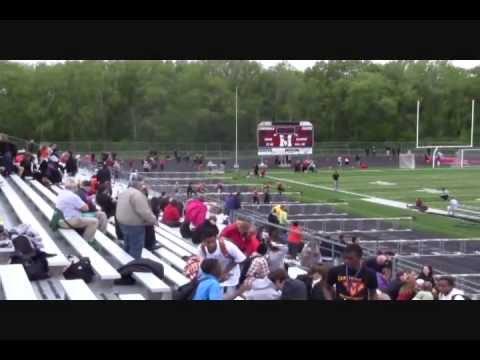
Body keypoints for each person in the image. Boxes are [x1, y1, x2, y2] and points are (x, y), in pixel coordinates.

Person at [198, 222, 247, 296]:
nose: (211, 244)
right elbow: (203, 263)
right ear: (202, 241)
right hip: (214, 279)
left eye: (212, 241)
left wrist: (225, 272)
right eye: (207, 242)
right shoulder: (201, 249)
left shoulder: (227, 246)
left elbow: (241, 259)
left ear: (216, 237)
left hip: (229, 279)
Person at [116, 176, 157, 259]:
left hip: (122, 223)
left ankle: (126, 263)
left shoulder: (125, 192)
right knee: (136, 248)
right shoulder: (137, 195)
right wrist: (154, 220)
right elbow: (144, 212)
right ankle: (133, 266)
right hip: (134, 225)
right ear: (140, 185)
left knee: (127, 244)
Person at [55, 178, 100, 244]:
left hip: (59, 219)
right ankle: (85, 243)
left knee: (92, 216)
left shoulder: (62, 193)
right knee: (95, 222)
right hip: (67, 221)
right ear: (75, 187)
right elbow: (86, 208)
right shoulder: (73, 196)